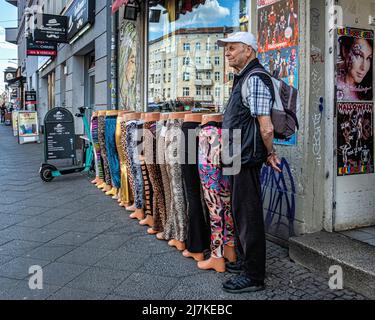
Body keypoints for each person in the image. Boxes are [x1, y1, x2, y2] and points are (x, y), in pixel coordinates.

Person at [217, 32, 281, 293]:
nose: (227, 53)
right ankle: (245, 261)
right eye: (227, 49)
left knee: (249, 216)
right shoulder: (242, 78)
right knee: (239, 211)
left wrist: (270, 153)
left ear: (249, 50)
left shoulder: (254, 79)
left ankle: (254, 275)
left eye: (233, 48)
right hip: (236, 156)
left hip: (245, 158)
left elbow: (265, 127)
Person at [337, 36, 373, 101]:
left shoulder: (369, 88)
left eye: (368, 58)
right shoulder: (332, 80)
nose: (364, 67)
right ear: (345, 51)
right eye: (359, 55)